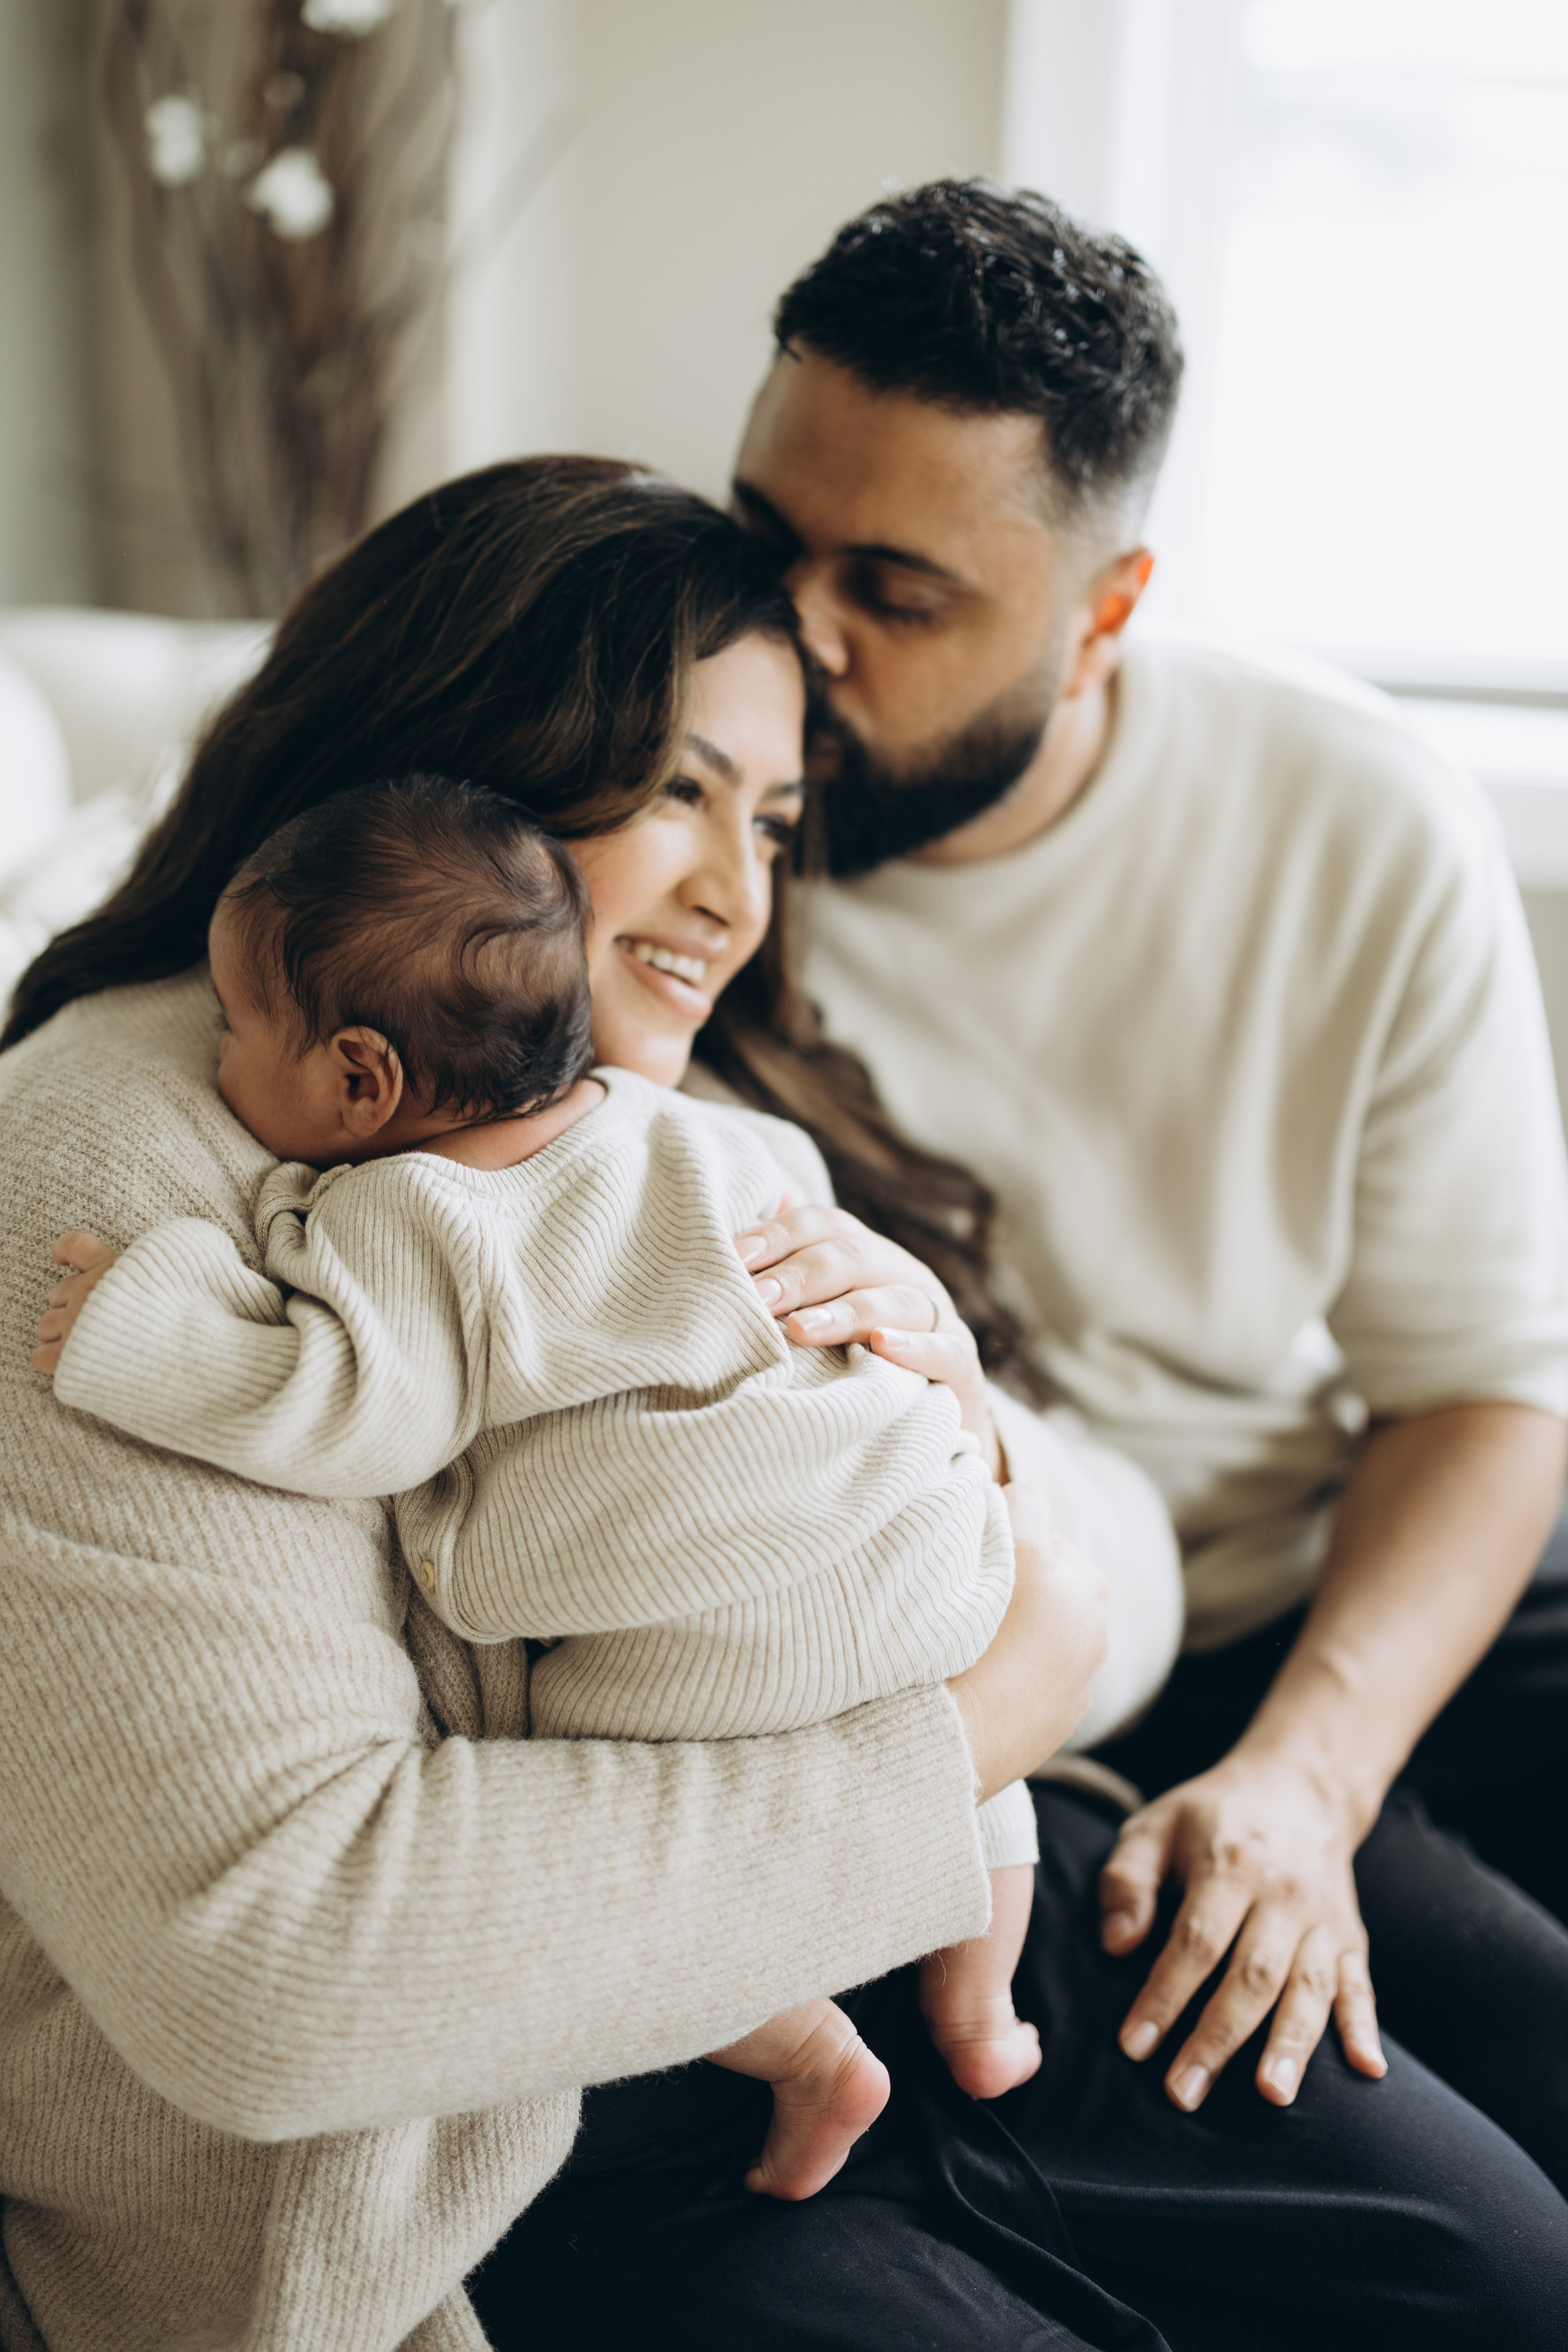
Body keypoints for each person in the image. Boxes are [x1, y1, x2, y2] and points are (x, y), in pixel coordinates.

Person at [3, 459, 1565, 2352]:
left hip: (938, 1879)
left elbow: (1110, 1555)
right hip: (527, 2128)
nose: (737, 892)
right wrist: (977, 1715)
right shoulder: (125, 1166)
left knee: (1495, 2279)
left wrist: (976, 1468)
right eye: (678, 791)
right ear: (453, 766)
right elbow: (282, 1972)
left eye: (778, 814)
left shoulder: (678, 1101)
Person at [730, 176, 1568, 2186]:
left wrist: (1315, 1778)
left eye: (898, 591)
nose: (794, 639)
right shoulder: (661, 806)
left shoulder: (1347, 814)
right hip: (1069, 1649)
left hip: (1347, 1553)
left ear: (1108, 611)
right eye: (765, 542)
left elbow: (1484, 1386)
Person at [33, 773, 1058, 2197]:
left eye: (234, 1030)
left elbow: (347, 1409)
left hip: (728, 1606)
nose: (212, 1059)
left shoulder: (419, 1214)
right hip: (923, 1532)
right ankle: (986, 2006)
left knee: (592, 1798)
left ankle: (806, 2052)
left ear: (360, 1081)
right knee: (960, 1758)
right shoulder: (673, 1124)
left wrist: (146, 1324)